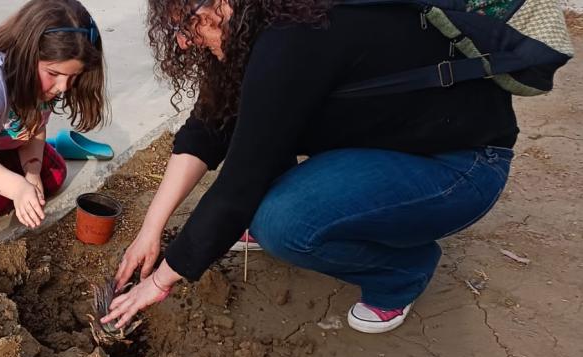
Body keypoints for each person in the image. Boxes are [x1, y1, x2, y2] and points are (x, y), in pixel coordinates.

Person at [106, 0, 518, 334]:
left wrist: (159, 283)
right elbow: (209, 125)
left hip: (463, 165)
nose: (181, 44)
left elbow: (238, 185)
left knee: (283, 222)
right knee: (254, 128)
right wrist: (150, 230)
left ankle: (402, 272)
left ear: (221, 4)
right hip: (393, 145)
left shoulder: (293, 40)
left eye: (186, 26)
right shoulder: (263, 22)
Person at [0, 0, 107, 228]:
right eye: (53, 73)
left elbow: (35, 129)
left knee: (54, 175)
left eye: (73, 77)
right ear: (27, 53)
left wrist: (31, 173)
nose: (63, 87)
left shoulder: (45, 82)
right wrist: (17, 187)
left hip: (1, 143)